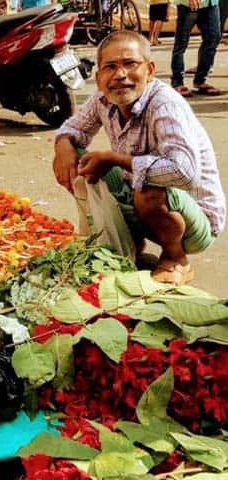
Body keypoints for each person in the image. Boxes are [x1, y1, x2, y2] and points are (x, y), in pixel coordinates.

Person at [53, 31, 225, 286]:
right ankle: (132, 244)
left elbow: (184, 172)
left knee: (146, 188)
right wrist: (63, 146)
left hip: (195, 222)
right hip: (143, 203)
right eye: (110, 67)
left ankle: (176, 258)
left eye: (130, 64)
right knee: (80, 161)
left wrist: (114, 158)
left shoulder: (165, 104)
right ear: (99, 77)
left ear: (150, 70)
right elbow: (72, 128)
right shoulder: (103, 99)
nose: (120, 74)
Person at [170, 0, 221, 97]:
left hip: (211, 3)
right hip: (188, 5)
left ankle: (200, 80)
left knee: (213, 38)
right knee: (181, 43)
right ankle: (177, 82)